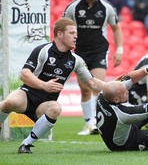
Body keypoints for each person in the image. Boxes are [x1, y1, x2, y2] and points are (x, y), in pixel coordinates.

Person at [0, 18, 121, 154]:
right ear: (60, 34)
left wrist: (114, 86)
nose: (76, 36)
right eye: (72, 33)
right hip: (27, 95)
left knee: (56, 108)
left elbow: (93, 83)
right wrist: (44, 85)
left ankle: (25, 144)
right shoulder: (43, 50)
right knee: (8, 103)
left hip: (44, 104)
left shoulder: (76, 60)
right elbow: (24, 74)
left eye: (76, 33)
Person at [63, 0, 123, 136]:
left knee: (97, 86)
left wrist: (119, 50)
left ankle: (98, 122)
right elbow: (63, 27)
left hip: (99, 51)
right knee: (84, 90)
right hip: (79, 52)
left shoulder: (107, 7)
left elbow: (116, 28)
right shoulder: (73, 7)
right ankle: (89, 123)